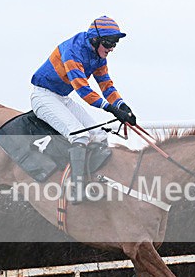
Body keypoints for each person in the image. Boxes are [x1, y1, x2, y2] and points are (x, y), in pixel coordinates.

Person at [30, 16, 136, 203]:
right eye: (109, 43)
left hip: (61, 97)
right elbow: (82, 89)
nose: (111, 48)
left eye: (115, 44)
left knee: (100, 135)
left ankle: (95, 182)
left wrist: (122, 106)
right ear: (95, 39)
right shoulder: (73, 51)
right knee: (80, 136)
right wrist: (112, 109)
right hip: (43, 96)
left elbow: (106, 85)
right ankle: (76, 190)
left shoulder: (99, 56)